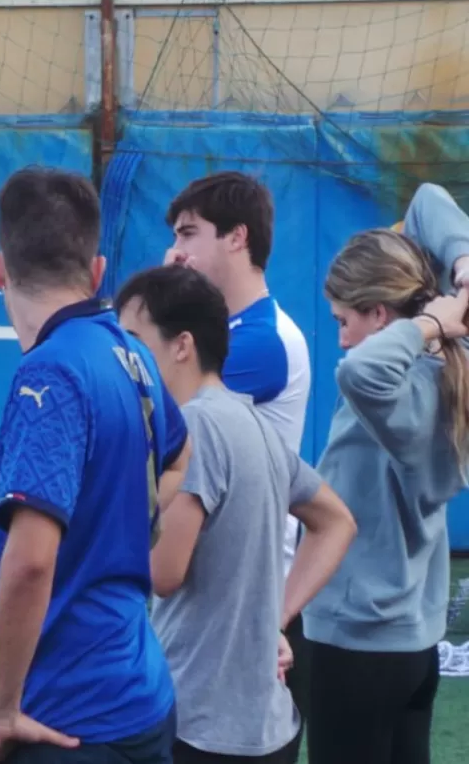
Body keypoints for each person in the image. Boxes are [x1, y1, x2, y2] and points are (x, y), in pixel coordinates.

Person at [0, 167, 191, 764]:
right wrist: (127, 522)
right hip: (140, 692)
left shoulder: (49, 373)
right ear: (98, 271)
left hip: (69, 719)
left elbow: (28, 564)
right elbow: (181, 453)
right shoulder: (131, 353)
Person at [116, 265, 356, 764]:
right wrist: (278, 617)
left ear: (182, 345)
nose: (124, 359)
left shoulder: (193, 427)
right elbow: (336, 522)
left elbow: (163, 573)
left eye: (134, 341)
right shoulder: (254, 423)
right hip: (266, 726)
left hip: (200, 723)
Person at [303, 182, 469, 764]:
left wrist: (427, 322)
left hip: (357, 644)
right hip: (412, 644)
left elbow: (360, 372)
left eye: (345, 319)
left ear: (380, 314)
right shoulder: (449, 366)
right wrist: (465, 272)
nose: (340, 334)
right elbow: (428, 197)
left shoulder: (401, 389)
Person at [162, 171, 312, 744]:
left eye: (189, 234)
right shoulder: (221, 333)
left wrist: (161, 296)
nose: (177, 250)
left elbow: (145, 412)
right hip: (210, 578)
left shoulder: (257, 342)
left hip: (232, 594)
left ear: (237, 238)